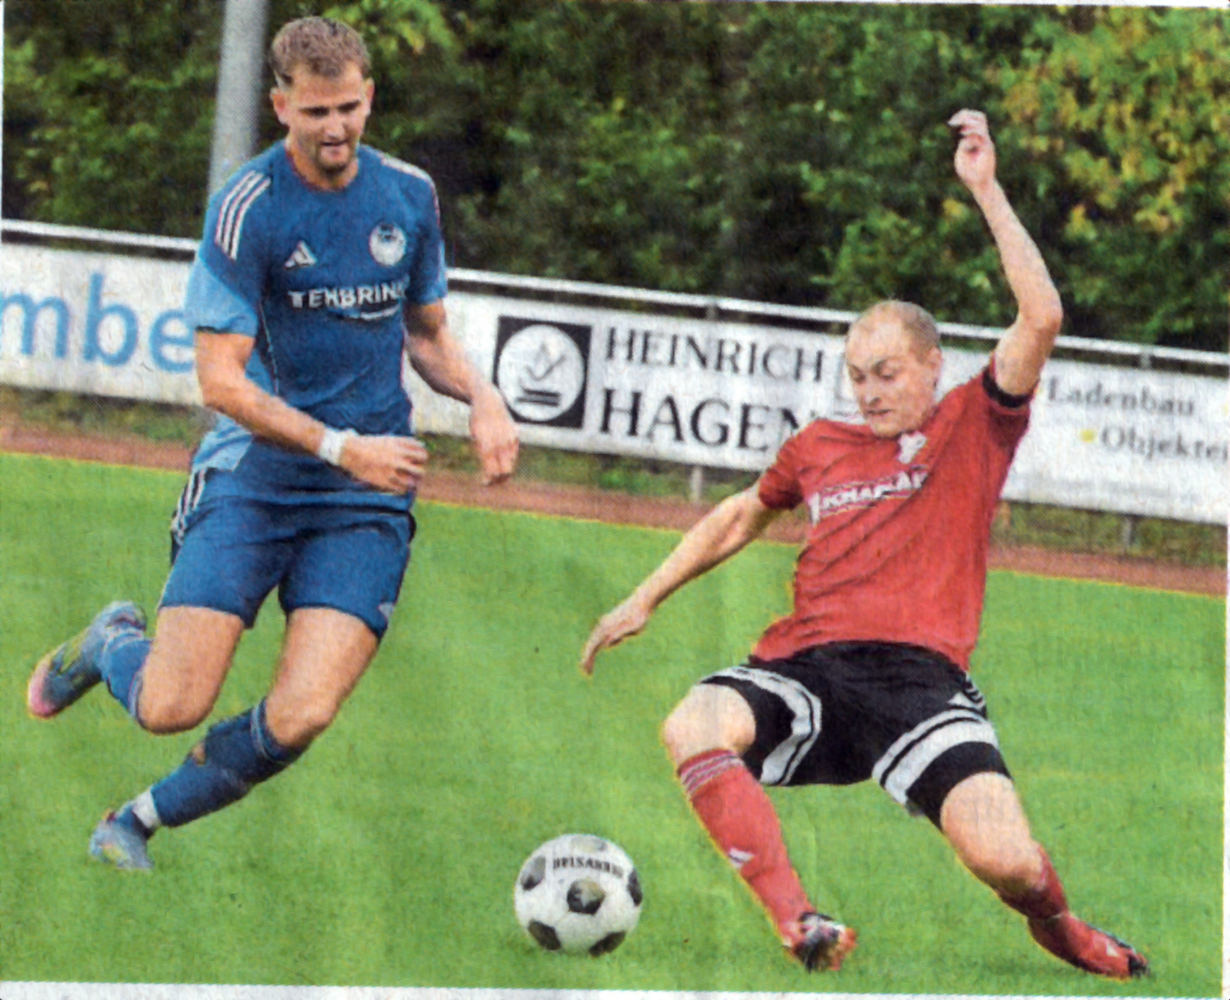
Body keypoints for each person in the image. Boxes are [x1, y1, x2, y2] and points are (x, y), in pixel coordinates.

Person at [580, 110, 1147, 980]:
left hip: (919, 682)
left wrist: (985, 189)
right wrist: (643, 596)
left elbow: (1041, 315)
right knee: (692, 724)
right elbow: (741, 514)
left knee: (1007, 862)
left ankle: (1062, 926)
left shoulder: (973, 423)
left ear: (931, 366)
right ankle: (798, 919)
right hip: (810, 667)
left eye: (886, 373)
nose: (869, 391)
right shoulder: (819, 446)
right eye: (856, 375)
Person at [27, 16, 518, 870]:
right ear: (281, 105)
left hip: (365, 496)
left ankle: (133, 822)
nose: (336, 128)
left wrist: (485, 398)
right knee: (170, 706)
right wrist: (341, 447)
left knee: (304, 714)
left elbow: (427, 335)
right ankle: (111, 642)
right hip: (255, 480)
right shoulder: (248, 207)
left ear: (370, 98)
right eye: (317, 111)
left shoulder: (409, 196)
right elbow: (220, 383)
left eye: (350, 108)